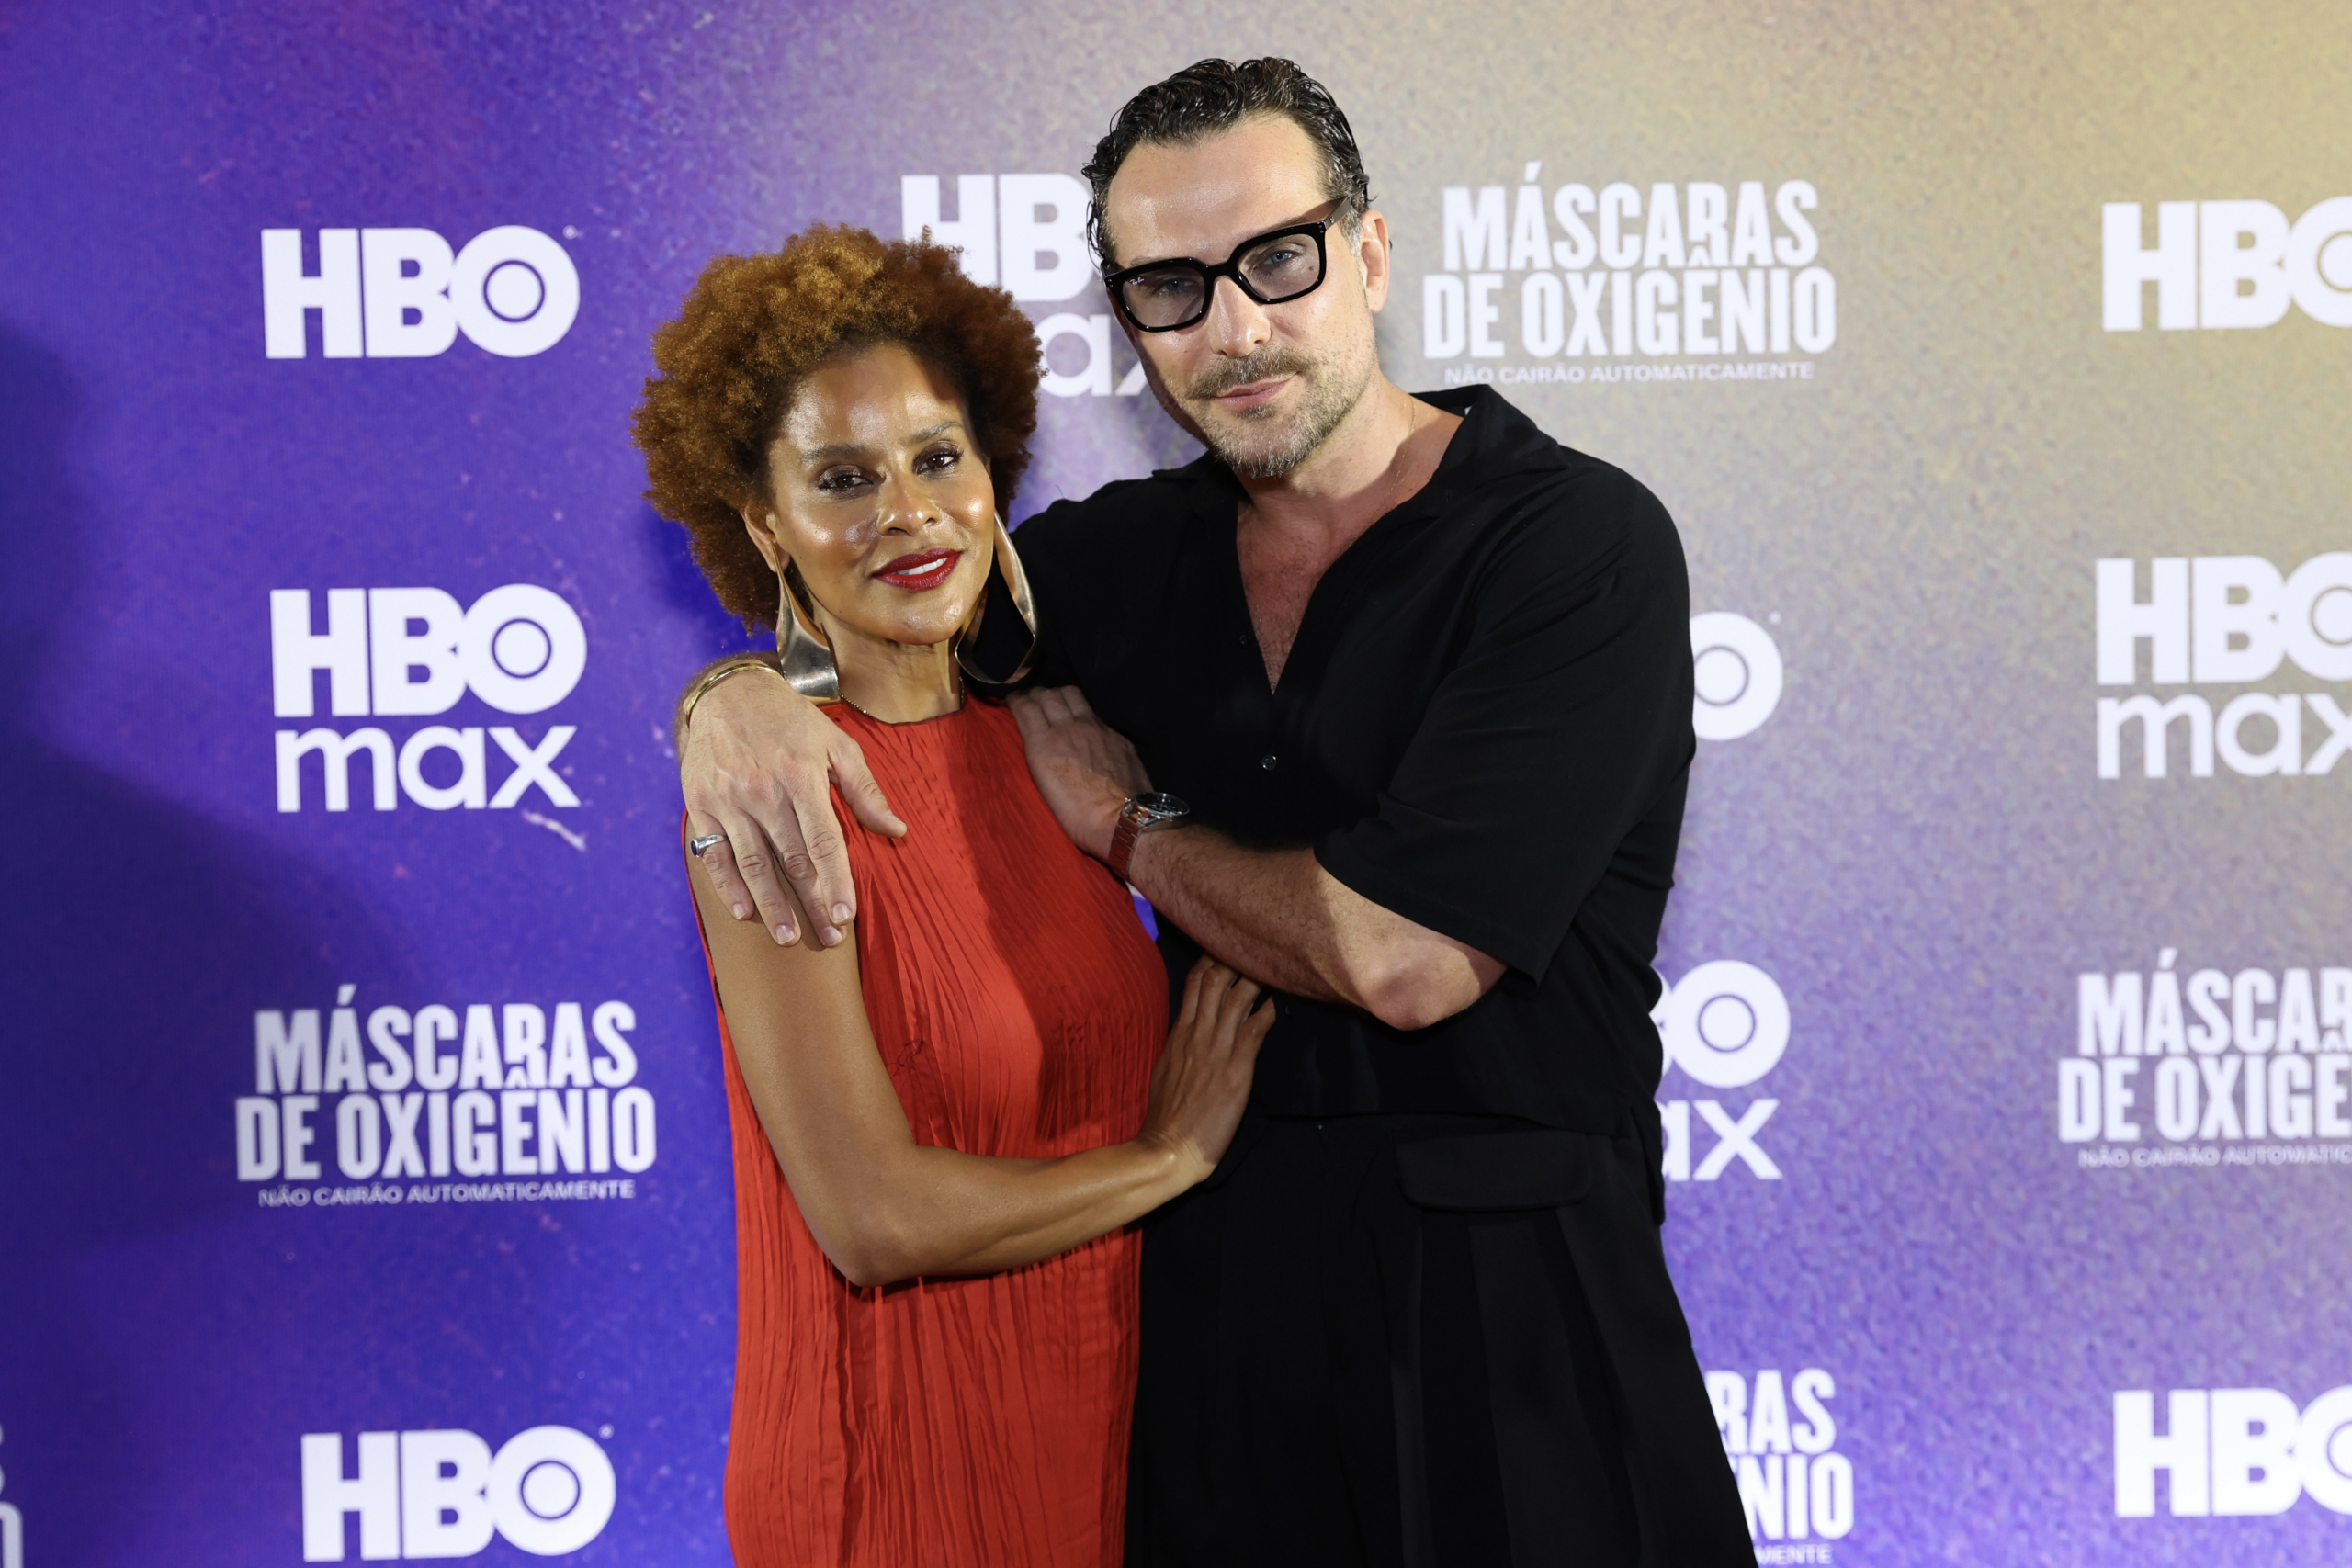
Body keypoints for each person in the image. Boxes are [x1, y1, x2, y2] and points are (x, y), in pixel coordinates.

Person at [675, 59, 1753, 1568]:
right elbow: (883, 621)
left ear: (1369, 253)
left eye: (1278, 261)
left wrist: (1132, 830)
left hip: (1515, 1318)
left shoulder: (1573, 544)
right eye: (1172, 287)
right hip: (1204, 1340)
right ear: (1128, 322)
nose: (1234, 328)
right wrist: (726, 701)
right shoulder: (1107, 566)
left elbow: (1404, 961)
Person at [632, 225, 1273, 1568]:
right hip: (894, 1468)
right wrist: (1172, 1158)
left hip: (1106, 1443)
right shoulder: (771, 799)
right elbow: (873, 1221)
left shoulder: (1053, 743)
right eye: (842, 479)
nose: (908, 510)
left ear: (992, 477)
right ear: (767, 528)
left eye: (937, 458)